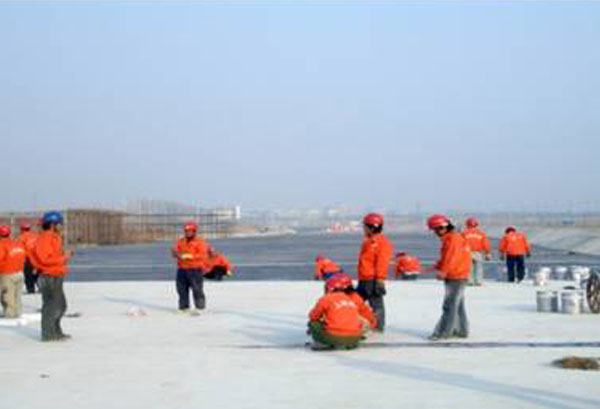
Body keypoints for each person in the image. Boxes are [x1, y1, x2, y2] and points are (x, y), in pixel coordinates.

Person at [30, 211, 74, 341]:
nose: (61, 226)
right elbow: (44, 259)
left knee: (60, 306)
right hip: (49, 277)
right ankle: (48, 335)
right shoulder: (45, 239)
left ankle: (55, 331)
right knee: (52, 306)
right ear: (52, 224)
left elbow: (52, 256)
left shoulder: (54, 237)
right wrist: (64, 257)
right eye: (59, 224)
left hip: (55, 275)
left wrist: (64, 255)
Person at [427, 214, 471, 341]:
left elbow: (452, 257)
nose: (435, 233)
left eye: (436, 230)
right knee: (458, 305)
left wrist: (443, 271)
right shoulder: (453, 238)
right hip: (458, 274)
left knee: (450, 305)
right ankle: (461, 330)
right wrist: (438, 266)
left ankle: (443, 332)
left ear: (442, 227)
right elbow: (448, 257)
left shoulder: (453, 239)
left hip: (456, 276)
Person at [356, 213, 393, 331]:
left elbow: (382, 262)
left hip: (372, 280)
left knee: (376, 305)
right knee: (355, 302)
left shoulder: (382, 243)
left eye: (365, 226)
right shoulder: (369, 241)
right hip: (364, 279)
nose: (363, 229)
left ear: (372, 227)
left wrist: (379, 280)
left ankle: (378, 328)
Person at [307, 274, 365, 350]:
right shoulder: (351, 300)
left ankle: (323, 343)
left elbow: (313, 316)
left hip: (334, 336)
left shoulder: (326, 299)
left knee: (313, 323)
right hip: (354, 338)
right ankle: (349, 342)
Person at [171, 222, 210, 314]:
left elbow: (203, 255)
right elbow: (175, 252)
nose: (188, 232)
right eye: (186, 231)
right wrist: (175, 253)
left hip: (195, 269)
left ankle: (200, 307)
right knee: (181, 289)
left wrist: (191, 256)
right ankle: (184, 307)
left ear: (194, 231)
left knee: (197, 289)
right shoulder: (180, 241)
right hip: (182, 268)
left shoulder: (200, 242)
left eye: (190, 231)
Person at [0, 225, 26, 318]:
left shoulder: (1, 245)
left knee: (7, 297)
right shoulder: (17, 244)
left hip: (7, 274)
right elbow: (23, 255)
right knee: (17, 297)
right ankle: (17, 313)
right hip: (20, 273)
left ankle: (10, 316)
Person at [463, 218, 491, 286]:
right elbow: (485, 244)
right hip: (478, 253)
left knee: (469, 267)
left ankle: (470, 281)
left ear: (467, 225)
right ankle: (478, 281)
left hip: (467, 253)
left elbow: (460, 243)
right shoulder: (481, 233)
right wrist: (487, 253)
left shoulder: (464, 233)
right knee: (479, 268)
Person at [17, 222, 39, 294]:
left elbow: (19, 249)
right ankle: (41, 286)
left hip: (27, 258)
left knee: (28, 274)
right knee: (38, 273)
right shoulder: (35, 236)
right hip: (37, 258)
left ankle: (30, 288)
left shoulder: (21, 237)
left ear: (22, 229)